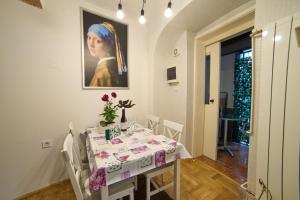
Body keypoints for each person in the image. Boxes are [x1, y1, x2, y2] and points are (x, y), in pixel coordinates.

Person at [86, 22, 127, 87]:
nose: (91, 44)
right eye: (89, 37)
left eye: (98, 41)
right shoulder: (110, 67)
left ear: (109, 46)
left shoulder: (104, 72)